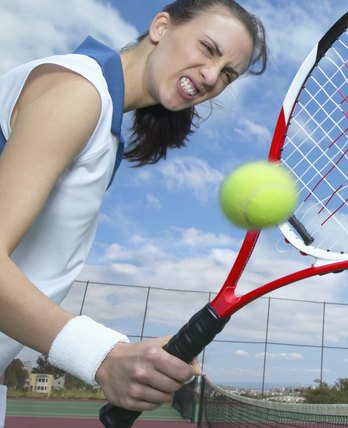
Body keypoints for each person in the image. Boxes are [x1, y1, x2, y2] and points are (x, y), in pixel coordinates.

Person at [0, 0, 267, 422]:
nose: (212, 78)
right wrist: (103, 356)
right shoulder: (80, 93)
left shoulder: (102, 121)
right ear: (161, 26)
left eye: (227, 74)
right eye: (208, 48)